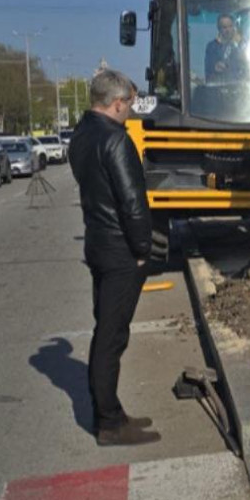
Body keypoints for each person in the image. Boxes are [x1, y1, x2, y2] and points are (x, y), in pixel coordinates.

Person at [69, 69, 161, 447]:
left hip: (97, 244)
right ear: (118, 102)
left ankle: (114, 412)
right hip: (120, 250)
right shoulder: (116, 141)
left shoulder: (81, 135)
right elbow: (132, 203)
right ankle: (108, 422)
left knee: (106, 330)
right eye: (130, 104)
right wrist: (142, 250)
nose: (131, 111)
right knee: (111, 337)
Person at [205, 14, 246, 82]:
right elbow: (209, 69)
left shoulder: (241, 45)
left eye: (230, 26)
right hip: (220, 85)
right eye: (224, 27)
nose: (228, 30)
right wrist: (215, 67)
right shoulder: (212, 47)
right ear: (219, 28)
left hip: (239, 85)